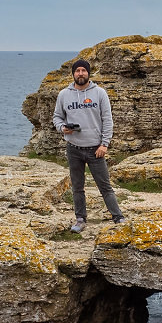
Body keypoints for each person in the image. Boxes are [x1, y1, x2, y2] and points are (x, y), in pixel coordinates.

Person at [52, 59, 125, 232]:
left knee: (105, 186)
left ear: (88, 73)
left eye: (83, 70)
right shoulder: (64, 95)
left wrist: (104, 144)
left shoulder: (99, 93)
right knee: (77, 186)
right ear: (73, 74)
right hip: (74, 149)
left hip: (95, 149)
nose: (80, 74)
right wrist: (62, 128)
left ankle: (118, 217)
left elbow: (108, 120)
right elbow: (57, 117)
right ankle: (80, 220)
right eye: (77, 71)